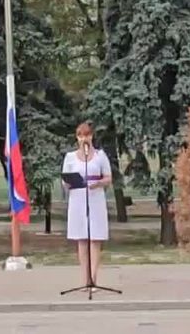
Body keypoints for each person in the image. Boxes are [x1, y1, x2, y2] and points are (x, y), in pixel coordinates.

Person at [62, 121, 112, 287]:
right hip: (78, 199)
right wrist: (68, 183)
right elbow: (65, 180)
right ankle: (84, 279)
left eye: (87, 135)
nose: (84, 138)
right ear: (77, 138)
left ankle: (93, 278)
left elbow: (108, 178)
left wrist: (98, 183)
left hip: (95, 198)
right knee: (81, 239)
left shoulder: (100, 156)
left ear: (92, 137)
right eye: (81, 135)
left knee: (95, 239)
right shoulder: (70, 157)